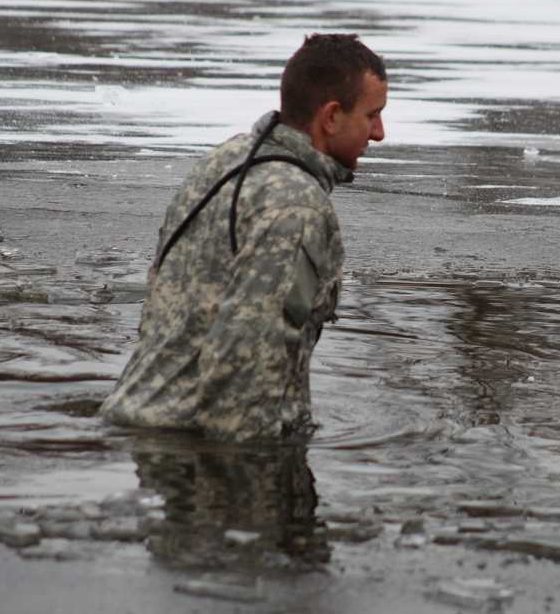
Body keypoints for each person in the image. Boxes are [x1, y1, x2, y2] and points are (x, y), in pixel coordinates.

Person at [100, 33, 387, 442]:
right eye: (372, 115)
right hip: (203, 447)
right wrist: (249, 475)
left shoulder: (222, 162)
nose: (379, 134)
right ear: (331, 117)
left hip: (141, 418)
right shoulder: (298, 205)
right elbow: (246, 363)